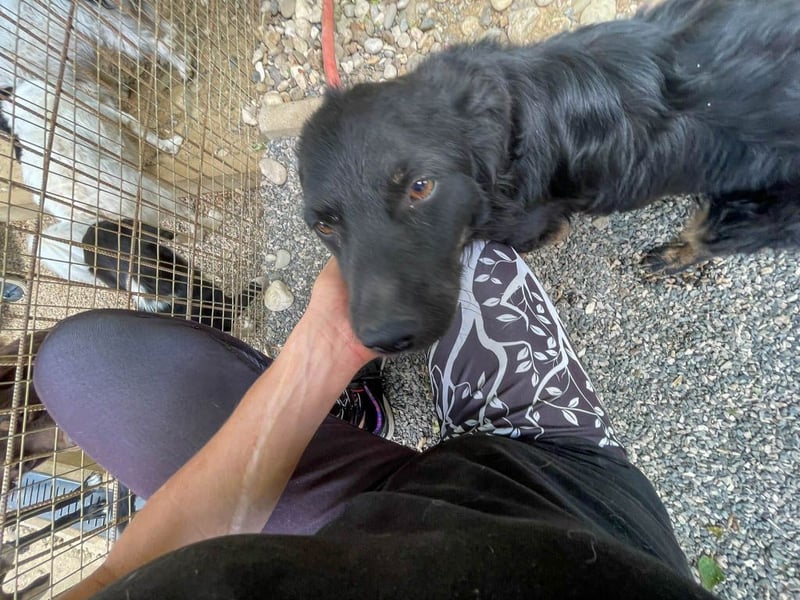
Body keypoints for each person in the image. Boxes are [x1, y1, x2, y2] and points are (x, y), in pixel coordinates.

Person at [33, 241, 717, 599]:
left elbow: (114, 584)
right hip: (548, 500)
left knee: (82, 365)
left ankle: (356, 413)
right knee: (463, 245)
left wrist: (323, 350)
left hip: (328, 541)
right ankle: (544, 440)